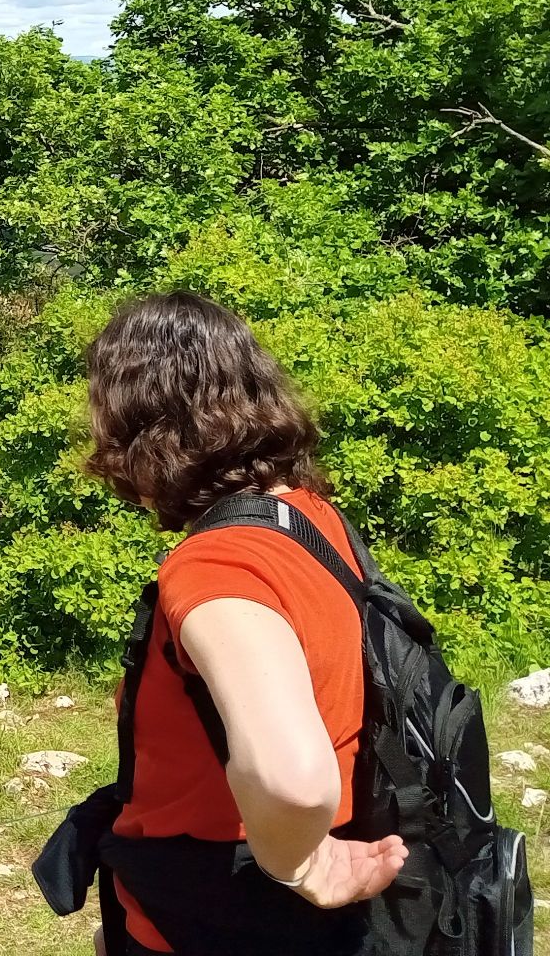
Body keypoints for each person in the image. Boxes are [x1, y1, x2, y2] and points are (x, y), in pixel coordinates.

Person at [81, 292, 407, 954]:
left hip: (220, 910)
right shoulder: (310, 518)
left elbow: (293, 779)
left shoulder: (217, 566)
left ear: (140, 427)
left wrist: (300, 867)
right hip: (302, 911)